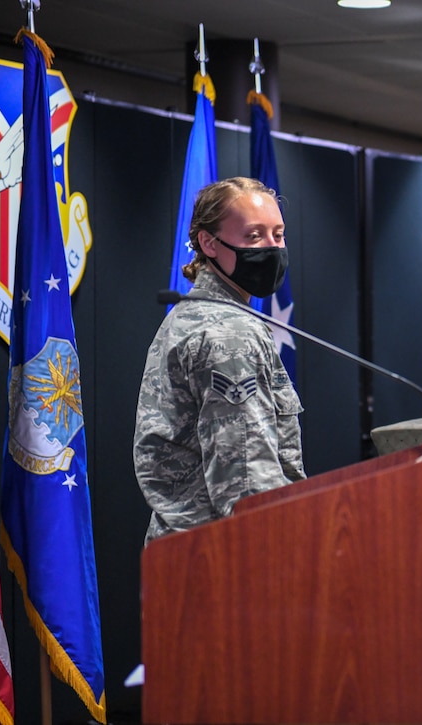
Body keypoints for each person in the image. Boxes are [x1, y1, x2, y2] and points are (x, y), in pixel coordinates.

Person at [134, 177, 305, 544]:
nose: (272, 248)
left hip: (184, 556)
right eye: (254, 236)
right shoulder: (229, 334)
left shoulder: (196, 315)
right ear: (209, 243)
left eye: (278, 234)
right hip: (225, 563)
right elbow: (245, 484)